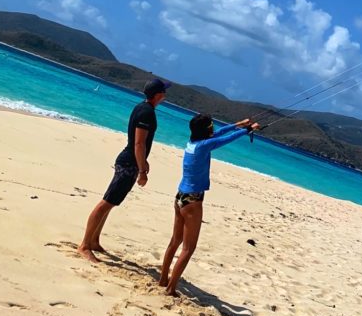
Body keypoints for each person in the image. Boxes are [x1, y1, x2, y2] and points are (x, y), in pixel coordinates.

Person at [159, 114, 259, 296]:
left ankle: (163, 278)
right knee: (188, 248)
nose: (213, 128)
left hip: (180, 196)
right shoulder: (204, 146)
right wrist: (248, 130)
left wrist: (238, 123)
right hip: (193, 201)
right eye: (210, 126)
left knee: (175, 241)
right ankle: (171, 289)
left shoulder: (193, 142)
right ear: (206, 130)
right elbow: (226, 139)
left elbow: (219, 133)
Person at [77, 78, 169, 263]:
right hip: (128, 163)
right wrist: (142, 170)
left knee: (111, 203)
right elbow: (139, 143)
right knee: (106, 202)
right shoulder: (147, 112)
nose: (165, 95)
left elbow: (141, 144)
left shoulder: (142, 107)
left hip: (130, 161)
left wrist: (144, 162)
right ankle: (85, 245)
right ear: (158, 95)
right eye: (164, 92)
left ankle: (94, 240)